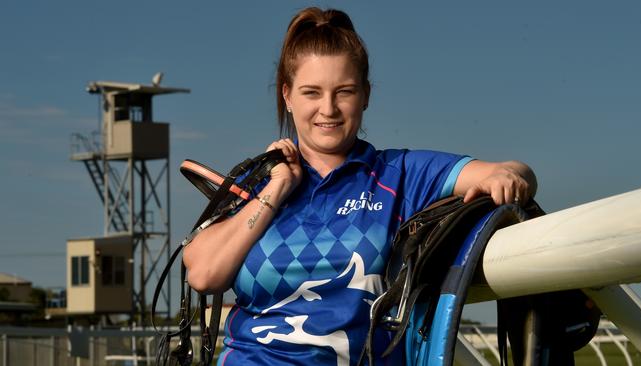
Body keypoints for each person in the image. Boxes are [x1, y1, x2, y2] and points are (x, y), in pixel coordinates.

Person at [183, 7, 537, 366]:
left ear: (365, 95)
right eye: (311, 93)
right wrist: (276, 190)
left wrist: (505, 178)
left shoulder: (399, 174)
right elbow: (203, 273)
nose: (328, 108)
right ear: (288, 96)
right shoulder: (259, 181)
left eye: (344, 91)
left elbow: (513, 170)